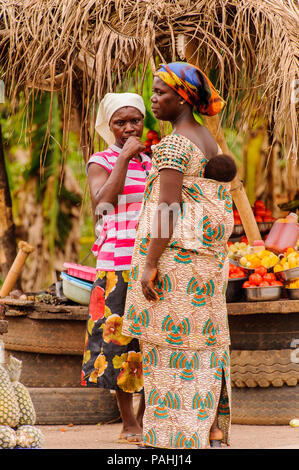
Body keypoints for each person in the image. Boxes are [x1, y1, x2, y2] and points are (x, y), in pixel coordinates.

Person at [122, 62, 234, 449]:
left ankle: (177, 439)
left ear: (183, 97)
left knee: (170, 348)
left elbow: (167, 209)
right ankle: (210, 429)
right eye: (152, 92)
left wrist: (150, 263)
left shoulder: (173, 145)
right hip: (205, 266)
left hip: (176, 267)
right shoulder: (208, 140)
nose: (154, 100)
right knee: (203, 344)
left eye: (161, 93)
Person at [81, 92, 152, 444]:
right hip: (117, 266)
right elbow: (101, 203)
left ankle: (145, 418)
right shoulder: (102, 159)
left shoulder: (154, 162)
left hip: (151, 266)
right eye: (119, 123)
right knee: (118, 345)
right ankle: (128, 423)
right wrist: (124, 156)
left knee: (151, 344)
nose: (128, 128)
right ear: (108, 127)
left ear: (144, 121)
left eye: (134, 121)